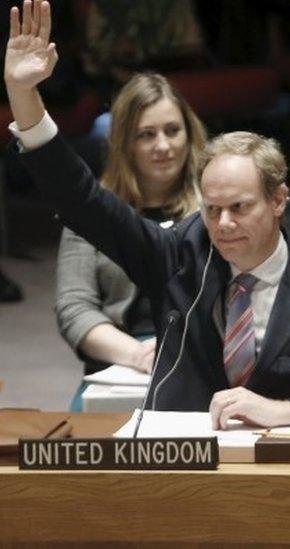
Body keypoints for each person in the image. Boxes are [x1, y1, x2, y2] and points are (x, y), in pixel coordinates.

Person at [5, 0, 290, 428]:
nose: (222, 225)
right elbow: (81, 200)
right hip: (184, 457)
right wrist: (23, 96)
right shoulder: (179, 257)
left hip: (282, 469)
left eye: (239, 208)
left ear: (279, 201)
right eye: (212, 209)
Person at [55, 72, 206, 412]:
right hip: (120, 356)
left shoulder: (216, 207)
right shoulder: (91, 211)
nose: (163, 146)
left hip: (199, 352)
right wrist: (137, 354)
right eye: (146, 135)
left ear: (189, 132)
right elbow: (74, 307)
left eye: (172, 130)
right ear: (125, 143)